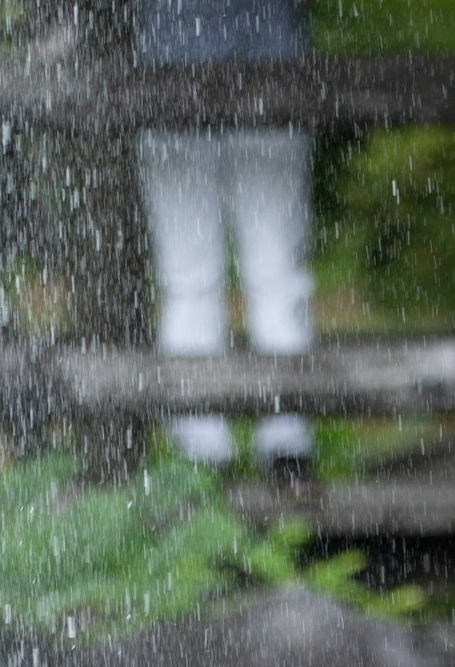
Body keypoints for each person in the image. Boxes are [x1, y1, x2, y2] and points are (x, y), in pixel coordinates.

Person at [136, 0, 318, 480]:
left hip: (171, 75)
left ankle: (202, 455)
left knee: (190, 282)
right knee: (276, 273)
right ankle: (287, 448)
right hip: (270, 72)